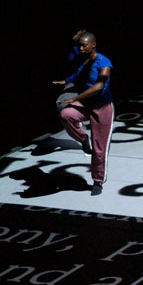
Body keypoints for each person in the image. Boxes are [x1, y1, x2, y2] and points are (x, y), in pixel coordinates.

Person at [53, 32, 114, 195]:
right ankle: (82, 138)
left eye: (83, 45)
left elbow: (100, 85)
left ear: (93, 44)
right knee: (66, 115)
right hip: (87, 104)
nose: (80, 48)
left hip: (102, 108)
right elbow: (78, 74)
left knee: (99, 149)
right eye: (79, 45)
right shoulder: (86, 61)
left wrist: (76, 98)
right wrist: (65, 81)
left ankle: (97, 181)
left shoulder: (104, 62)